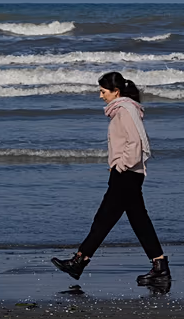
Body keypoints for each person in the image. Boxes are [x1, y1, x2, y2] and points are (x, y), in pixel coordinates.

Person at [51, 71, 170, 286]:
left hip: (126, 174)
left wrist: (120, 166)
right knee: (136, 220)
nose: (100, 96)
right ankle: (159, 266)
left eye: (103, 91)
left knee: (105, 218)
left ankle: (79, 261)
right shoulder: (125, 109)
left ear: (116, 92)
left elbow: (135, 142)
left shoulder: (125, 109)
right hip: (128, 174)